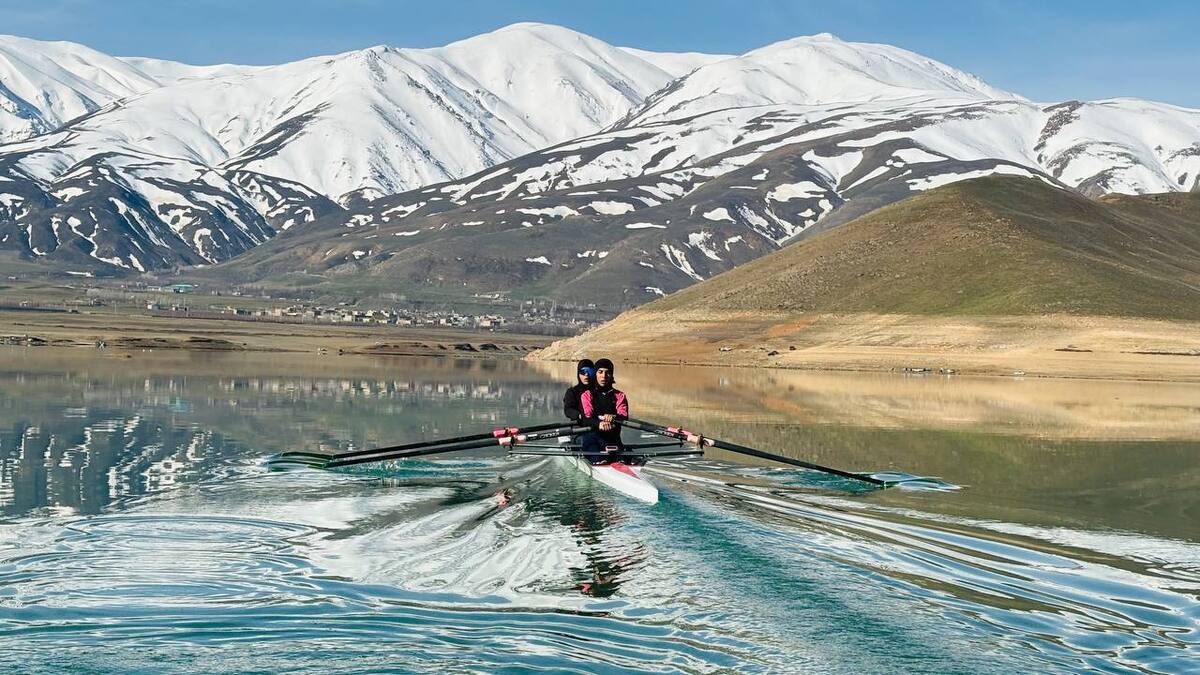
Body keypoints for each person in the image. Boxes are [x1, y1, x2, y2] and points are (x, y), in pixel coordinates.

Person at [579, 358, 628, 463]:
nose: (604, 376)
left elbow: (623, 416)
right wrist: (599, 424)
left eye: (607, 373)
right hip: (592, 439)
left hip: (613, 439)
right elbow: (586, 418)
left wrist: (614, 418)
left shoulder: (620, 396)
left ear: (612, 375)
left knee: (625, 460)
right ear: (595, 374)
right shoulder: (587, 395)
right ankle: (598, 461)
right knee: (598, 459)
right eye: (600, 372)